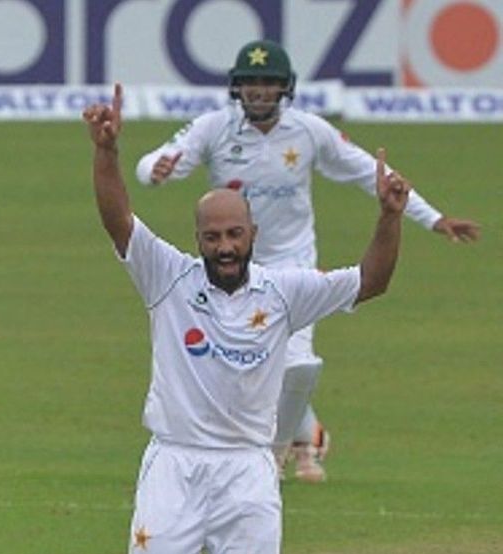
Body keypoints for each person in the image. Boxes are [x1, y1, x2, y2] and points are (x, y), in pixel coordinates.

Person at [83, 82, 409, 554]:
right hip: (174, 463)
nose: (224, 248)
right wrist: (107, 152)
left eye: (234, 236)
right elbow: (118, 219)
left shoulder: (284, 291)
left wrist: (389, 218)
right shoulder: (167, 278)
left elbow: (374, 282)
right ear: (197, 240)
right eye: (212, 238)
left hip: (247, 474)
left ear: (252, 236)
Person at [135, 39, 480, 482]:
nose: (259, 92)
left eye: (269, 83)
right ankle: (309, 434)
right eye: (250, 83)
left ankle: (272, 452)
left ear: (285, 89)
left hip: (292, 265)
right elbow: (153, 165)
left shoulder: (309, 130)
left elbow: (369, 171)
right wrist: (156, 169)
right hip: (230, 265)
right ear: (236, 89)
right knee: (241, 359)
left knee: (297, 365)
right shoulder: (214, 127)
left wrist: (433, 218)